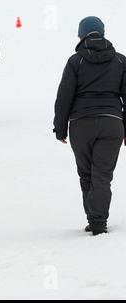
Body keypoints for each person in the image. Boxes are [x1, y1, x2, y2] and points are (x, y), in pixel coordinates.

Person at [53, 16, 126, 236]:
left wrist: (60, 127)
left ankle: (93, 219)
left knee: (87, 175)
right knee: (102, 176)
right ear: (102, 33)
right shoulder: (121, 61)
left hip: (81, 124)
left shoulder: (76, 61)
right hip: (112, 123)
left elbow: (64, 96)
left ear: (82, 34)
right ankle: (98, 221)